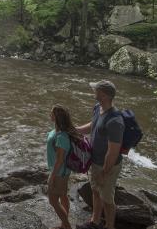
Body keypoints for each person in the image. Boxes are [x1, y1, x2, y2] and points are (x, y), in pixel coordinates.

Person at [75, 80, 124, 229]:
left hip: (108, 165)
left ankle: (110, 226)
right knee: (95, 191)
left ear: (103, 95)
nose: (93, 93)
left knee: (108, 199)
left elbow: (113, 152)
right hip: (94, 161)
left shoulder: (115, 120)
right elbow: (93, 125)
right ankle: (95, 222)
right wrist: (75, 130)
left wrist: (105, 171)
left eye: (96, 90)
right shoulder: (98, 107)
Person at [46, 104, 78, 229]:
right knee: (63, 196)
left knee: (53, 201)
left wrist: (51, 176)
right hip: (62, 171)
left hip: (59, 173)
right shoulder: (57, 131)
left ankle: (67, 226)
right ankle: (64, 225)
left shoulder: (61, 136)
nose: (49, 115)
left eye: (51, 113)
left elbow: (59, 160)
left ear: (57, 117)